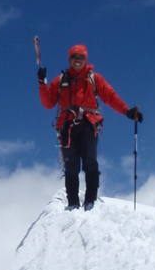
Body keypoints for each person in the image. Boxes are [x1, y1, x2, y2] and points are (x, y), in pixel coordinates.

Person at [38, 44, 143, 211]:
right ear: (69, 59)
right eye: (74, 57)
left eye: (80, 57)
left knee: (90, 163)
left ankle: (90, 201)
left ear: (85, 59)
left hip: (88, 124)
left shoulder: (94, 79)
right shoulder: (61, 80)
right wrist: (42, 84)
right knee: (71, 165)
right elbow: (48, 103)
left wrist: (126, 111)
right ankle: (73, 203)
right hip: (67, 128)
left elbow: (110, 96)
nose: (77, 60)